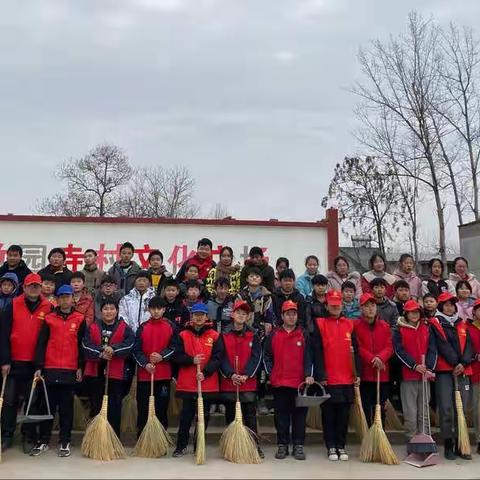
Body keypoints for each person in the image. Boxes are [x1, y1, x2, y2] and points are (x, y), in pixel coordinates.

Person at [0, 273, 53, 453]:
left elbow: (48, 338)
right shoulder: (12, 305)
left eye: (37, 286)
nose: (34, 289)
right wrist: (5, 360)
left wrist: (41, 365)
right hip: (13, 363)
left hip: (35, 364)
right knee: (9, 401)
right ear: (24, 287)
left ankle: (28, 436)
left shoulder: (48, 306)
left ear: (41, 288)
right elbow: (3, 335)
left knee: (32, 402)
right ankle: (7, 435)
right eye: (30, 286)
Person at [32, 285, 85, 457]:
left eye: (67, 296)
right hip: (50, 368)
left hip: (69, 369)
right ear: (57, 299)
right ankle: (43, 441)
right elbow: (41, 343)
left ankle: (65, 441)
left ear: (72, 298)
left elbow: (82, 345)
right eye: (61, 297)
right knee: (47, 406)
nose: (64, 300)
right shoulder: (49, 318)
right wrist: (39, 366)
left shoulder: (80, 318)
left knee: (66, 408)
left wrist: (80, 366)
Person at [312, 290, 360, 462]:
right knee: (329, 414)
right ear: (326, 305)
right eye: (332, 304)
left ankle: (341, 444)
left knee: (344, 414)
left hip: (347, 377)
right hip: (328, 377)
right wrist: (320, 374)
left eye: (337, 304)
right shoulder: (320, 324)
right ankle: (331, 445)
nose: (335, 307)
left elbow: (356, 350)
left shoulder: (350, 324)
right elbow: (316, 351)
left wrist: (357, 373)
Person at [172, 303, 224, 458]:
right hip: (188, 383)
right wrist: (191, 360)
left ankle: (198, 445)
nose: (199, 317)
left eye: (202, 314)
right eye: (196, 314)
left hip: (207, 383)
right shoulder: (182, 334)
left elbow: (218, 357)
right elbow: (176, 355)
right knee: (186, 416)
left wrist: (206, 372)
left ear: (207, 317)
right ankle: (180, 446)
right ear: (191, 316)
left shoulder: (214, 335)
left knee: (204, 415)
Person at [264, 300, 314, 461]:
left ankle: (298, 445)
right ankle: (282, 445)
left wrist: (308, 374)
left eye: (294, 314)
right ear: (282, 315)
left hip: (300, 383)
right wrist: (271, 374)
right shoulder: (274, 334)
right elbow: (267, 357)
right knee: (281, 416)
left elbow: (309, 358)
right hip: (279, 383)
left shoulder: (304, 334)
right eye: (288, 314)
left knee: (299, 416)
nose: (291, 317)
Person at [82, 299, 135, 437]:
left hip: (117, 374)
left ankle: (113, 439)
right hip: (97, 373)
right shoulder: (93, 326)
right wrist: (101, 353)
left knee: (114, 407)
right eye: (106, 309)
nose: (109, 311)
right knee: (96, 405)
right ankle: (95, 438)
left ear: (117, 311)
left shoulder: (125, 328)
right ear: (101, 311)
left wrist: (114, 350)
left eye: (112, 308)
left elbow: (130, 345)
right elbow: (86, 346)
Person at [430, 291, 473, 460]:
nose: (449, 307)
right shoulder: (435, 323)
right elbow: (442, 345)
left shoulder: (461, 324)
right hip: (444, 372)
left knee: (460, 409)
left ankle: (462, 445)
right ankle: (448, 444)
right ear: (441, 306)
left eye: (452, 304)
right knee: (447, 409)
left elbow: (470, 346)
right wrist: (456, 362)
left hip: (462, 370)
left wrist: (464, 363)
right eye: (446, 304)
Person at [220, 300, 263, 458]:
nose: (241, 315)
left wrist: (247, 374)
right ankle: (231, 448)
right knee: (231, 416)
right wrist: (231, 374)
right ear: (232, 314)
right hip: (229, 381)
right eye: (238, 312)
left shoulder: (254, 334)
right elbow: (220, 357)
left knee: (250, 416)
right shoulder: (223, 334)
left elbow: (257, 357)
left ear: (248, 316)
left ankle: (254, 447)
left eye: (244, 314)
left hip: (248, 382)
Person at [392, 300, 437, 440]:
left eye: (416, 312)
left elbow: (432, 349)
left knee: (424, 410)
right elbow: (399, 351)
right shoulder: (399, 330)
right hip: (408, 376)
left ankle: (425, 438)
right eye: (411, 312)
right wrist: (414, 365)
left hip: (425, 375)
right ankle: (412, 439)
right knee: (410, 411)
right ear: (405, 313)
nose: (414, 314)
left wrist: (429, 368)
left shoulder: (426, 327)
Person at [133, 296, 176, 434]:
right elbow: (136, 350)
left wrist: (161, 356)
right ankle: (142, 438)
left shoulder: (171, 326)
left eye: (159, 308)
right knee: (144, 407)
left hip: (163, 375)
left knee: (161, 408)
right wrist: (145, 364)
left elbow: (175, 347)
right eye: (153, 309)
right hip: (145, 375)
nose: (156, 311)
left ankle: (161, 438)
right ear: (148, 310)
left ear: (164, 310)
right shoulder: (142, 327)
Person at [354, 293, 393, 426]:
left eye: (373, 305)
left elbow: (389, 346)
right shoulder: (356, 325)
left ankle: (380, 435)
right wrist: (373, 359)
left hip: (382, 374)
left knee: (380, 407)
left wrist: (381, 358)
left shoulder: (385, 326)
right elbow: (357, 347)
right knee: (365, 407)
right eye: (366, 306)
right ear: (361, 308)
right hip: (364, 374)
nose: (370, 308)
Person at [237, 268, 275, 338]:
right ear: (247, 279)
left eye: (257, 276)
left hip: (261, 331)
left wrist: (267, 330)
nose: (254, 278)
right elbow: (237, 314)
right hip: (243, 330)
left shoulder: (266, 296)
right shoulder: (240, 295)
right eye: (251, 276)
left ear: (261, 280)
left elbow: (268, 317)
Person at [467, 299, 480, 453]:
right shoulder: (468, 329)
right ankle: (479, 438)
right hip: (476, 372)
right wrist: (475, 357)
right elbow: (465, 350)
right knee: (478, 408)